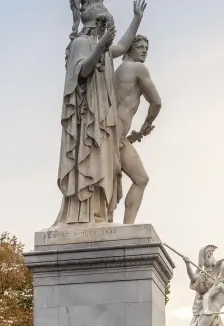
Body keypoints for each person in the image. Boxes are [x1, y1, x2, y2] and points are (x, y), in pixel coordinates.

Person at [55, 0, 148, 225]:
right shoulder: (81, 42)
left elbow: (124, 46)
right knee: (90, 163)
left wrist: (136, 19)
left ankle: (98, 214)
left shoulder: (104, 51)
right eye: (107, 28)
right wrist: (100, 46)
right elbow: (83, 70)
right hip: (87, 119)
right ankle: (82, 216)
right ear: (99, 25)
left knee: (102, 164)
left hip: (101, 120)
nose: (109, 33)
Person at [114, 35, 162, 224]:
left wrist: (136, 135)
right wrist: (145, 126)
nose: (144, 51)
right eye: (140, 47)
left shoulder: (118, 71)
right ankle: (128, 226)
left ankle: (126, 228)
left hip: (116, 134)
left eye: (146, 48)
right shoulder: (137, 68)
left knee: (139, 179)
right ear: (129, 49)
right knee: (140, 178)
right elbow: (156, 103)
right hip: (114, 135)